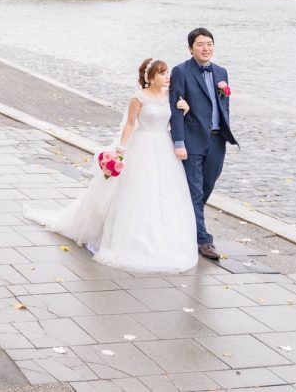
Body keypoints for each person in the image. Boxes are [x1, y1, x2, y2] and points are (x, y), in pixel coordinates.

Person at [24, 59, 198, 273]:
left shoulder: (171, 97)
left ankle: (165, 238)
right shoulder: (138, 98)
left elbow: (172, 123)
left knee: (165, 192)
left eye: (167, 73)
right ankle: (129, 238)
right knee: (138, 191)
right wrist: (121, 149)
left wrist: (185, 109)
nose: (167, 77)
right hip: (142, 144)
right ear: (150, 77)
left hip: (163, 146)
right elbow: (130, 124)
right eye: (162, 74)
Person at [169, 27, 238, 261]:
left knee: (208, 185)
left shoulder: (221, 72)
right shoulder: (181, 72)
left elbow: (223, 104)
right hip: (192, 140)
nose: (205, 48)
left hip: (218, 139)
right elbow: (175, 109)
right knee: (195, 190)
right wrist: (179, 142)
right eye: (200, 44)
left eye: (209, 44)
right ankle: (203, 239)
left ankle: (185, 221)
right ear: (190, 48)